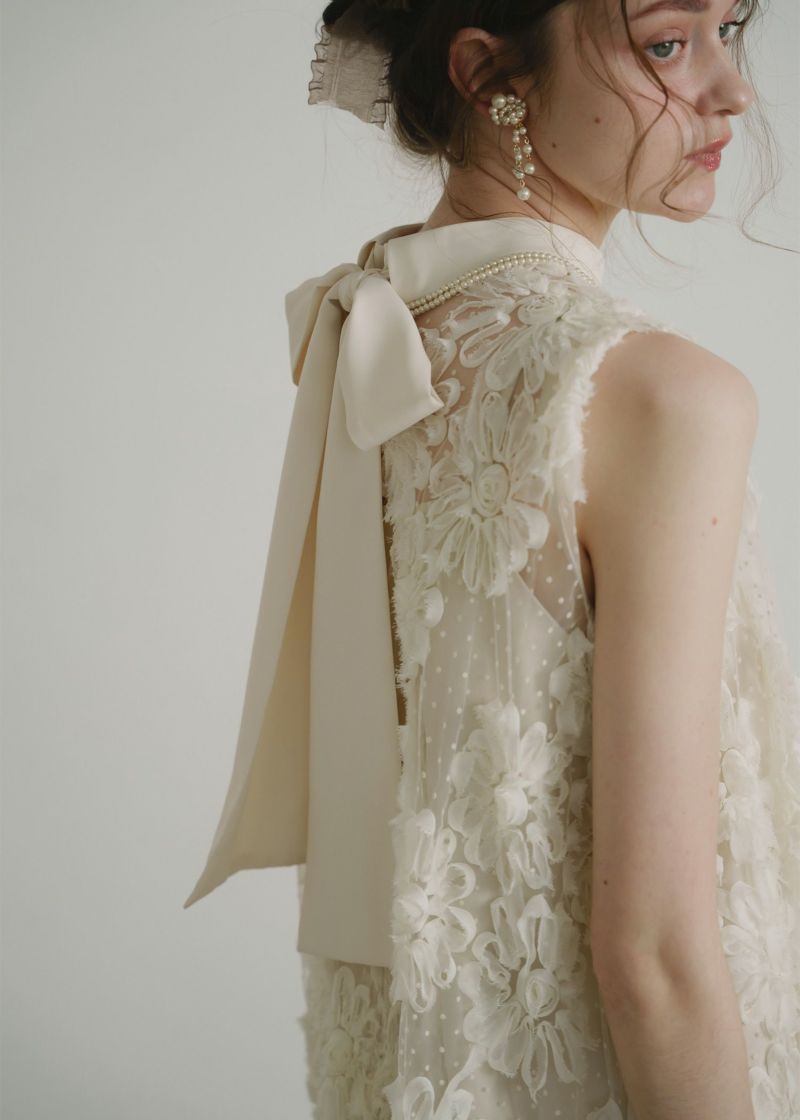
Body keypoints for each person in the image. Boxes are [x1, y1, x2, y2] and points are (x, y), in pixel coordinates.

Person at [183, 1, 800, 1117]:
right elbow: (654, 955)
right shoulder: (659, 396)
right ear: (488, 74)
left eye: (730, 26)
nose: (731, 89)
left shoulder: (382, 338)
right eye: (667, 41)